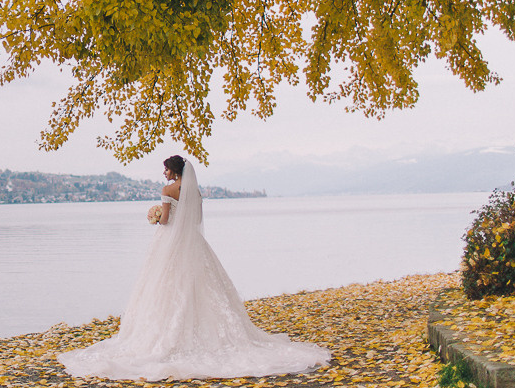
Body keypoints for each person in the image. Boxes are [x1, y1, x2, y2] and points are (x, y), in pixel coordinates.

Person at [57, 155, 330, 380]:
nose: (163, 173)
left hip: (169, 243)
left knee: (164, 286)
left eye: (165, 168)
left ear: (173, 171)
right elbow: (196, 217)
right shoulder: (194, 191)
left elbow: (165, 221)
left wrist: (154, 217)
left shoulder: (167, 191)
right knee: (203, 286)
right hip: (193, 242)